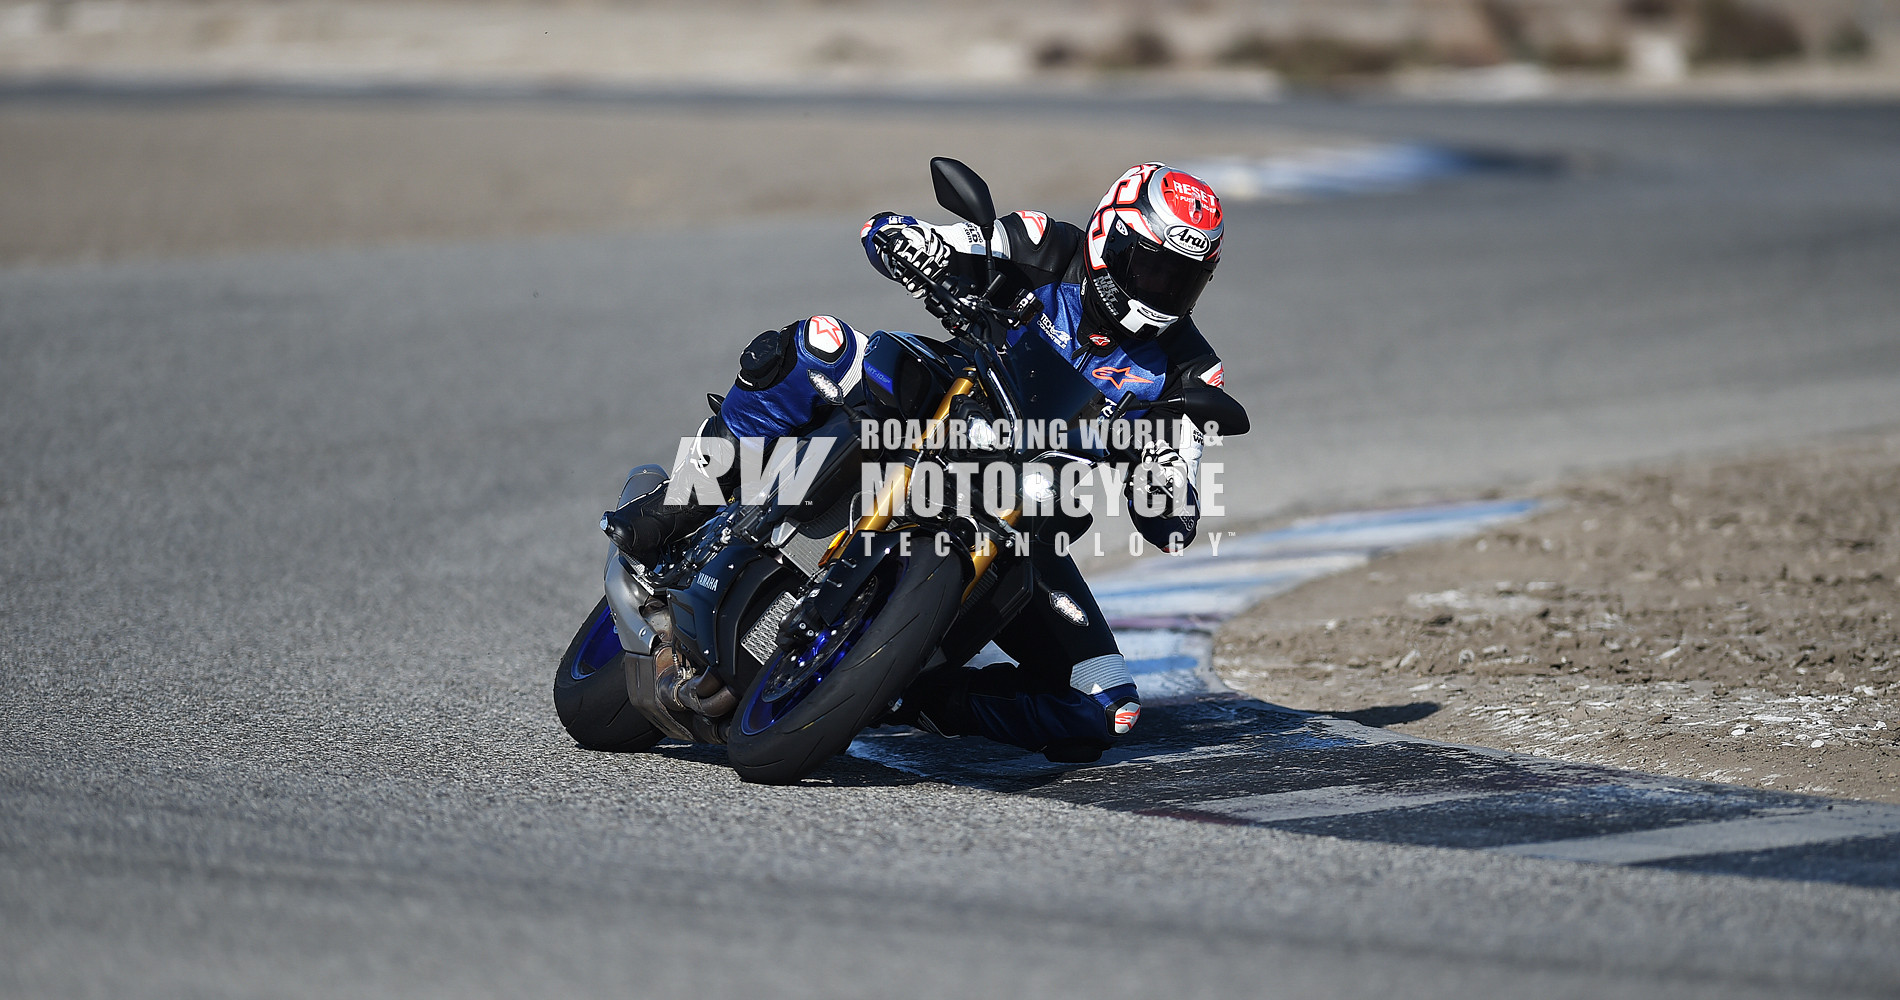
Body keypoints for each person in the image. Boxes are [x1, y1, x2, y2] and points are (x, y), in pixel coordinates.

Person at [604, 162, 1239, 763]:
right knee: (819, 346)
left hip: (1027, 509)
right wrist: (915, 246)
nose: (1159, 290)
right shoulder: (1047, 246)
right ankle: (679, 504)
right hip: (944, 398)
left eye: (1180, 279)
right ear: (1111, 237)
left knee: (1106, 708)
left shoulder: (1190, 370)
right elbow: (916, 234)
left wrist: (1158, 463)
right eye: (1150, 267)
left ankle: (909, 692)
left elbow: (1173, 517)